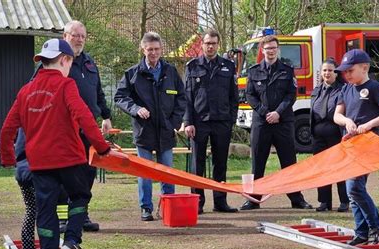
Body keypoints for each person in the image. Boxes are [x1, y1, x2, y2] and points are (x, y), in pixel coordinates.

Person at [0, 39, 111, 249]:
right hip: (69, 159)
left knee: (46, 208)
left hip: (39, 163)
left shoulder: (25, 91)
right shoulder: (66, 85)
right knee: (80, 196)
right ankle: (71, 240)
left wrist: (9, 159)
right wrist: (101, 147)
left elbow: (8, 129)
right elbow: (84, 117)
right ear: (65, 60)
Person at [115, 32, 186, 221]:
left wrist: (174, 123)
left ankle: (168, 205)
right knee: (144, 173)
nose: (153, 53)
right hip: (144, 131)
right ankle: (146, 208)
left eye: (156, 49)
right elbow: (120, 98)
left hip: (166, 130)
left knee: (168, 172)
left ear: (161, 49)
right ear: (143, 49)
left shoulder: (170, 72)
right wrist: (136, 109)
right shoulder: (132, 73)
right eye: (149, 49)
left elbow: (181, 98)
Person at [240, 35, 312, 211]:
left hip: (283, 122)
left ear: (277, 50)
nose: (270, 51)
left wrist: (278, 113)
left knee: (289, 162)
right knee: (258, 161)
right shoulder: (253, 71)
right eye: (267, 48)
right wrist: (266, 113)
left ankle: (297, 199)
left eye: (273, 48)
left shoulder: (287, 70)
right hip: (261, 122)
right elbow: (250, 95)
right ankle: (253, 199)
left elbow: (291, 95)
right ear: (262, 50)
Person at [333, 49, 379, 245]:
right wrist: (346, 122)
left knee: (354, 187)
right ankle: (361, 233)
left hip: (367, 144)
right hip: (349, 144)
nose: (347, 75)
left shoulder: (374, 87)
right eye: (345, 72)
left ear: (364, 68)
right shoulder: (345, 89)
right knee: (352, 190)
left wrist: (369, 124)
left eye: (350, 70)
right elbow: (337, 115)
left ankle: (377, 226)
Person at [62, 20, 113, 231]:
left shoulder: (90, 62)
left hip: (89, 129)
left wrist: (106, 116)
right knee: (67, 175)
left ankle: (81, 215)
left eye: (82, 36)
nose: (79, 40)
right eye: (75, 35)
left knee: (87, 173)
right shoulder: (57, 60)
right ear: (65, 36)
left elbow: (98, 92)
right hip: (66, 129)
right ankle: (64, 218)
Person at [184, 29, 239, 214]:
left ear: (218, 45)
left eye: (214, 43)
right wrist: (188, 121)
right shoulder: (192, 66)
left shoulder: (228, 66)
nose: (210, 46)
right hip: (199, 122)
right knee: (197, 164)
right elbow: (187, 98)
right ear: (202, 44)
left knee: (220, 163)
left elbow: (234, 96)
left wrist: (231, 118)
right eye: (207, 43)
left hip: (222, 121)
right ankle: (197, 202)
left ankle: (220, 201)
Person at [310, 58, 349, 212]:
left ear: (336, 72)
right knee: (321, 169)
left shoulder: (343, 89)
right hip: (318, 137)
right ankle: (324, 202)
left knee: (339, 168)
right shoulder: (316, 90)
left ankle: (344, 201)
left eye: (330, 70)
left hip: (336, 135)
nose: (327, 73)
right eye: (325, 70)